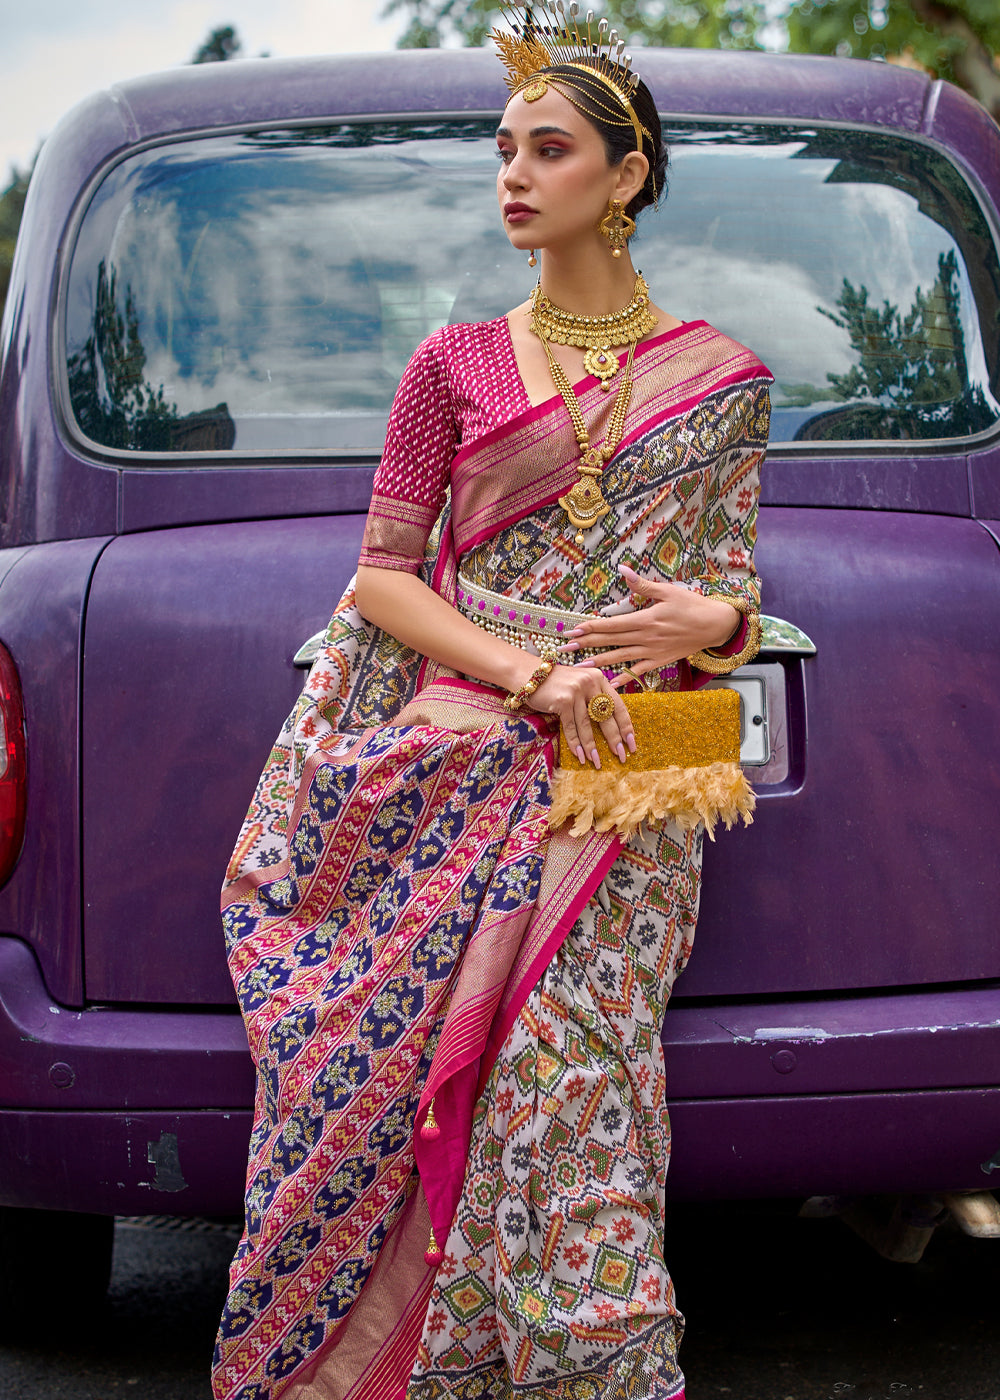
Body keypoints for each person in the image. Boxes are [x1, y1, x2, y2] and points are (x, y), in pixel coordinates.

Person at [212, 5, 772, 1397]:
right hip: (456, 767)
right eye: (503, 150)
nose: (513, 176)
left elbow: (728, 581)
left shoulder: (722, 384)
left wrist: (729, 620)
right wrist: (532, 669)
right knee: (404, 1093)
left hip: (627, 789)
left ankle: (602, 1368)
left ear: (626, 175)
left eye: (550, 148)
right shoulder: (451, 365)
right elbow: (382, 583)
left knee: (567, 1094)